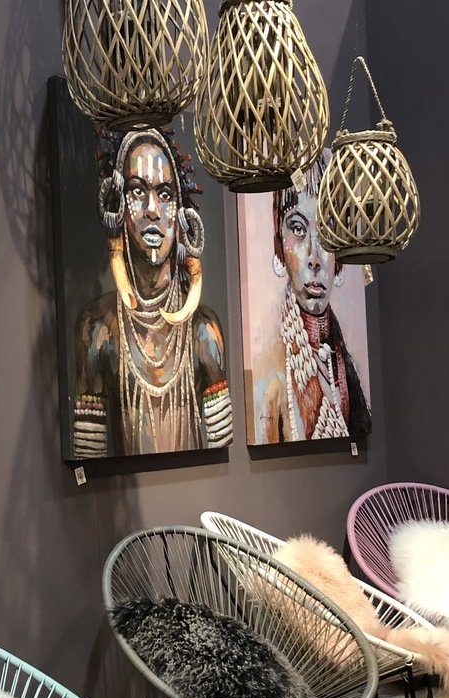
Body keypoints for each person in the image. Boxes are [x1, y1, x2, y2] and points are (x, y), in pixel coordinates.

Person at [71, 128, 232, 457]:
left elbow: (222, 454)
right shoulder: (98, 328)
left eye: (165, 194)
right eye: (137, 191)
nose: (153, 210)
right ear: (116, 205)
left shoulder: (204, 331)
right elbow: (89, 455)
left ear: (183, 214)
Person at [251, 151, 371, 443]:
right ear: (279, 247)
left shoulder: (345, 365)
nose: (314, 258)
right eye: (298, 229)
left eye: (327, 234)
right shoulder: (270, 377)